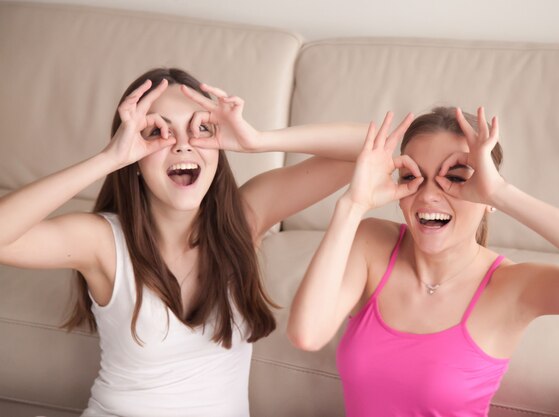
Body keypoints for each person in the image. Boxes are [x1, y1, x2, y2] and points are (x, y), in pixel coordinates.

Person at [0, 67, 368, 417]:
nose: (181, 145)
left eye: (201, 128)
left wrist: (259, 140)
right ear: (134, 158)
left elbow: (371, 146)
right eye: (157, 132)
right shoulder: (103, 241)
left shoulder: (245, 217)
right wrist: (108, 159)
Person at [287, 106, 559, 416]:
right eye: (411, 177)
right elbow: (307, 334)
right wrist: (352, 204)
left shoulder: (510, 288)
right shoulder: (372, 243)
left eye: (457, 177)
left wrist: (502, 194)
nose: (429, 195)